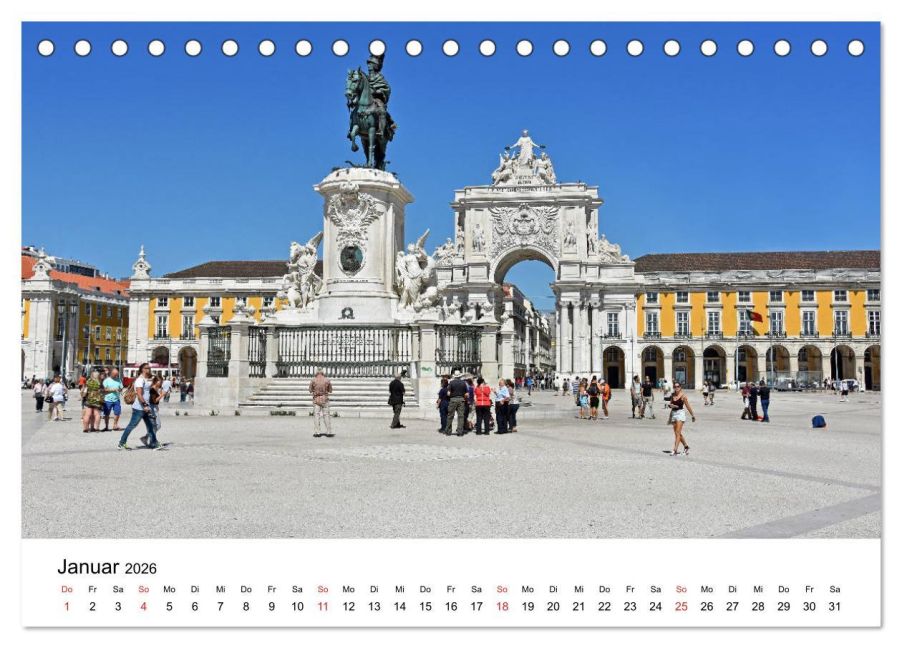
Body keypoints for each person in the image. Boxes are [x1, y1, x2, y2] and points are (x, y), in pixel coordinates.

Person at [118, 363, 158, 450]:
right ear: (142, 369)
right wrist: (145, 405)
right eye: (146, 368)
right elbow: (139, 395)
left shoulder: (145, 379)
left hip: (145, 407)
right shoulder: (140, 380)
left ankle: (154, 443)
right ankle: (121, 443)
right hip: (139, 408)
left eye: (149, 368)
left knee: (150, 426)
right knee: (132, 425)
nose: (148, 369)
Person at [667, 381, 696, 455]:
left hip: (680, 414)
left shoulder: (683, 396)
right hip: (673, 413)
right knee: (677, 433)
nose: (676, 388)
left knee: (677, 432)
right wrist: (671, 407)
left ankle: (675, 450)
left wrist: (692, 415)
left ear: (680, 387)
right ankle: (686, 446)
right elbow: (671, 404)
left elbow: (688, 406)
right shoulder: (672, 395)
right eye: (675, 386)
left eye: (678, 386)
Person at [140, 375, 166, 448]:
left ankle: (146, 438)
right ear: (156, 381)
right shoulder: (152, 389)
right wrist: (162, 395)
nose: (161, 383)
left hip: (154, 408)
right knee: (157, 425)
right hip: (152, 408)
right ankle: (152, 441)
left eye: (161, 382)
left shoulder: (155, 389)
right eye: (160, 382)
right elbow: (154, 401)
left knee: (155, 426)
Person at [309, 369, 333, 437]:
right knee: (326, 415)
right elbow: (330, 390)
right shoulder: (327, 380)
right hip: (325, 399)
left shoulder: (313, 380)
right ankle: (328, 431)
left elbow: (310, 390)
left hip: (316, 399)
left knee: (316, 415)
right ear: (323, 373)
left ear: (316, 373)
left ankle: (317, 432)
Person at [444, 370, 469, 436]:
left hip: (453, 400)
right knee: (461, 416)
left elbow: (448, 393)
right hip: (461, 400)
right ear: (460, 376)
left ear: (454, 376)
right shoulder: (463, 383)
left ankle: (448, 431)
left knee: (450, 416)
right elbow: (466, 394)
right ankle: (460, 431)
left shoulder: (451, 383)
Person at [101, 367, 123, 431]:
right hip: (107, 399)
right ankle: (106, 426)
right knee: (107, 413)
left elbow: (121, 388)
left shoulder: (118, 380)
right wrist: (113, 390)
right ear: (111, 373)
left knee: (117, 412)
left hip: (116, 399)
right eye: (115, 374)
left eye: (117, 374)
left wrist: (119, 389)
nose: (116, 376)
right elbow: (104, 390)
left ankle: (115, 425)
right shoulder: (106, 380)